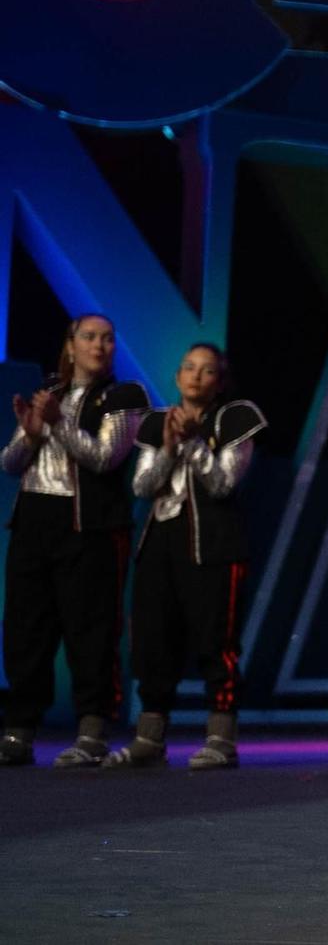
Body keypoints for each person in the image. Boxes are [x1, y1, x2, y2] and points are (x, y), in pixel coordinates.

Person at [109, 343, 265, 770]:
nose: (197, 376)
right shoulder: (159, 421)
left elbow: (223, 483)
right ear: (177, 378)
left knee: (218, 643)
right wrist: (167, 446)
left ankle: (221, 738)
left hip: (213, 546)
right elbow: (142, 486)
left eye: (208, 370)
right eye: (189, 368)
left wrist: (194, 443)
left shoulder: (234, 418)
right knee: (154, 642)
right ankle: (149, 737)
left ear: (220, 379)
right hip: (161, 543)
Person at [0, 315, 147, 767]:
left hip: (89, 527)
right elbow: (9, 462)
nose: (99, 346)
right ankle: (19, 730)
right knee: (27, 629)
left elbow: (104, 458)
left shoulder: (125, 396)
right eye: (89, 337)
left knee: (91, 630)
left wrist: (57, 424)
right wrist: (30, 430)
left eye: (107, 339)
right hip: (35, 518)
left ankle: (92, 730)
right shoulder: (51, 391)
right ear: (70, 345)